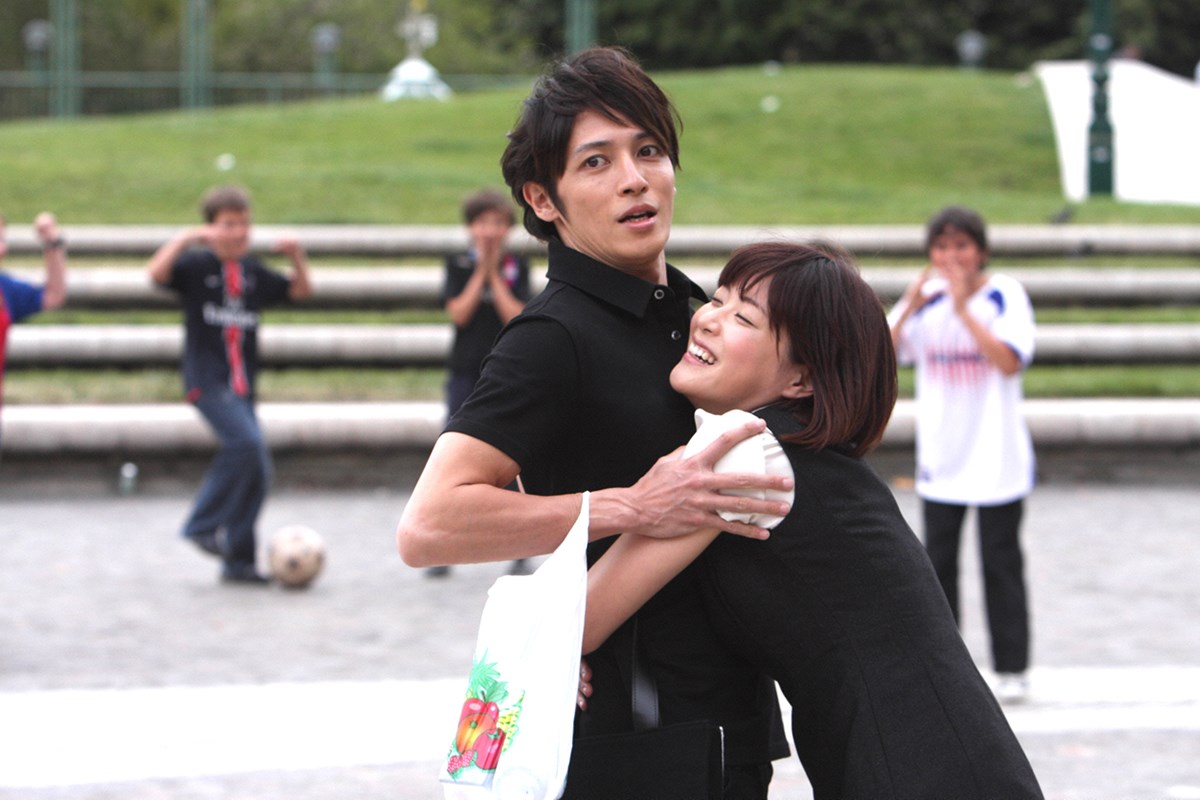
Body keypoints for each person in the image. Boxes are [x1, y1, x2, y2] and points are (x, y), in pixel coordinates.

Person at [397, 46, 793, 796]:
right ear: (543, 200)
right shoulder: (552, 338)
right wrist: (630, 507)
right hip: (635, 741)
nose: (634, 179)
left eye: (649, 151)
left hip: (725, 722)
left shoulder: (693, 310)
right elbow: (429, 525)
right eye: (596, 163)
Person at [583, 241, 1045, 799]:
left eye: (744, 318)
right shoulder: (791, 448)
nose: (707, 319)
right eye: (719, 299)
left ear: (801, 381)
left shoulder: (745, 453)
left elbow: (581, 618)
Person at [888, 205, 1037, 703]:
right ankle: (948, 670)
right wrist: (911, 303)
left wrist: (964, 309)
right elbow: (882, 354)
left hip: (997, 456)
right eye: (942, 247)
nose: (951, 256)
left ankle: (1012, 668)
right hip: (942, 457)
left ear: (981, 251)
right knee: (938, 566)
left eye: (961, 246)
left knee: (1001, 561)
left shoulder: (1004, 294)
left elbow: (1009, 361)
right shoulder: (924, 300)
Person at [148, 185, 313, 585]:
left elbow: (300, 290)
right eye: (228, 224)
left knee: (258, 469)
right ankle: (202, 524)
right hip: (207, 381)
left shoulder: (253, 272)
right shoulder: (195, 266)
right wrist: (185, 239)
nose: (238, 232)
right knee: (245, 446)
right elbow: (156, 275)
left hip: (243, 386)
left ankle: (238, 561)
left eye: (244, 223)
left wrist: (296, 256)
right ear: (210, 228)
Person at [425, 188, 534, 579]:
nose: (489, 230)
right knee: (450, 457)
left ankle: (521, 545)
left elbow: (516, 316)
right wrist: (479, 272)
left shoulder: (517, 266)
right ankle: (440, 546)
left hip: (505, 372)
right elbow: (459, 313)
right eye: (482, 222)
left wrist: (495, 276)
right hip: (465, 370)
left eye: (497, 223)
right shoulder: (456, 264)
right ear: (470, 227)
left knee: (511, 458)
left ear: (507, 228)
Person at [0, 211, 68, 445]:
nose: (2, 248)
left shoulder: (4, 288)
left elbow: (53, 295)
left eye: (2, 239)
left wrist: (53, 244)